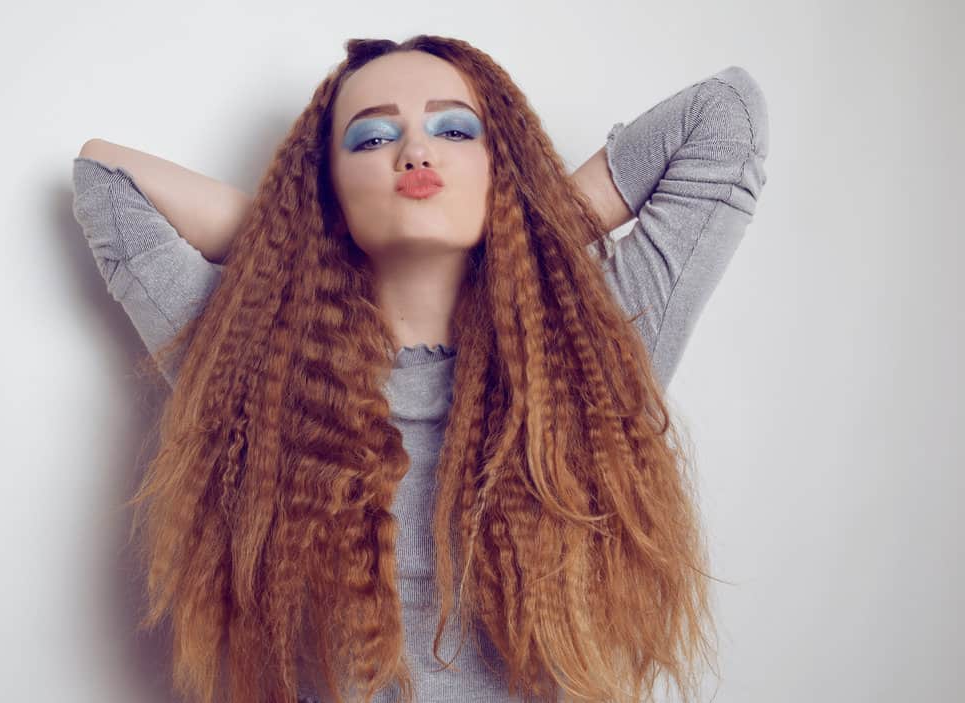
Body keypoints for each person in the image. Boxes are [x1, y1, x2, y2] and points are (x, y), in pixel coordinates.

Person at [71, 35, 769, 703]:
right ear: (326, 189)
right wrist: (297, 239)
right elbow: (105, 179)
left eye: (456, 130)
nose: (415, 150)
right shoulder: (259, 359)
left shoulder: (593, 344)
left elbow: (726, 116)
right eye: (372, 138)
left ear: (504, 166)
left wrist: (530, 227)